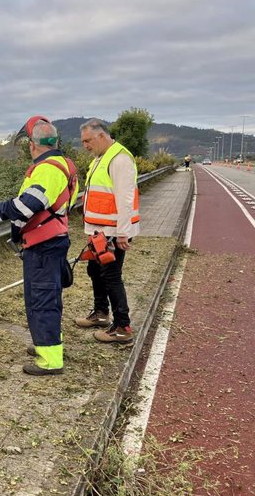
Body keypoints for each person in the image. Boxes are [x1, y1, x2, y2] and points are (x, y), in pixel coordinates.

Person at [0, 116, 78, 375]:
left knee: (42, 300)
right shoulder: (66, 165)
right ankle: (48, 343)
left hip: (44, 245)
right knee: (47, 297)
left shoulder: (48, 169)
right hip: (51, 241)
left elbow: (26, 205)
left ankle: (49, 360)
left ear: (32, 145)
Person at [75, 118, 140, 344]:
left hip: (112, 232)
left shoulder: (120, 158)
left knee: (111, 276)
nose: (85, 146)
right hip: (99, 231)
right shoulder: (100, 159)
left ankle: (122, 327)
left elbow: (124, 199)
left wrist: (123, 232)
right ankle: (101, 313)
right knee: (95, 271)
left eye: (88, 141)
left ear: (101, 136)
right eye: (83, 141)